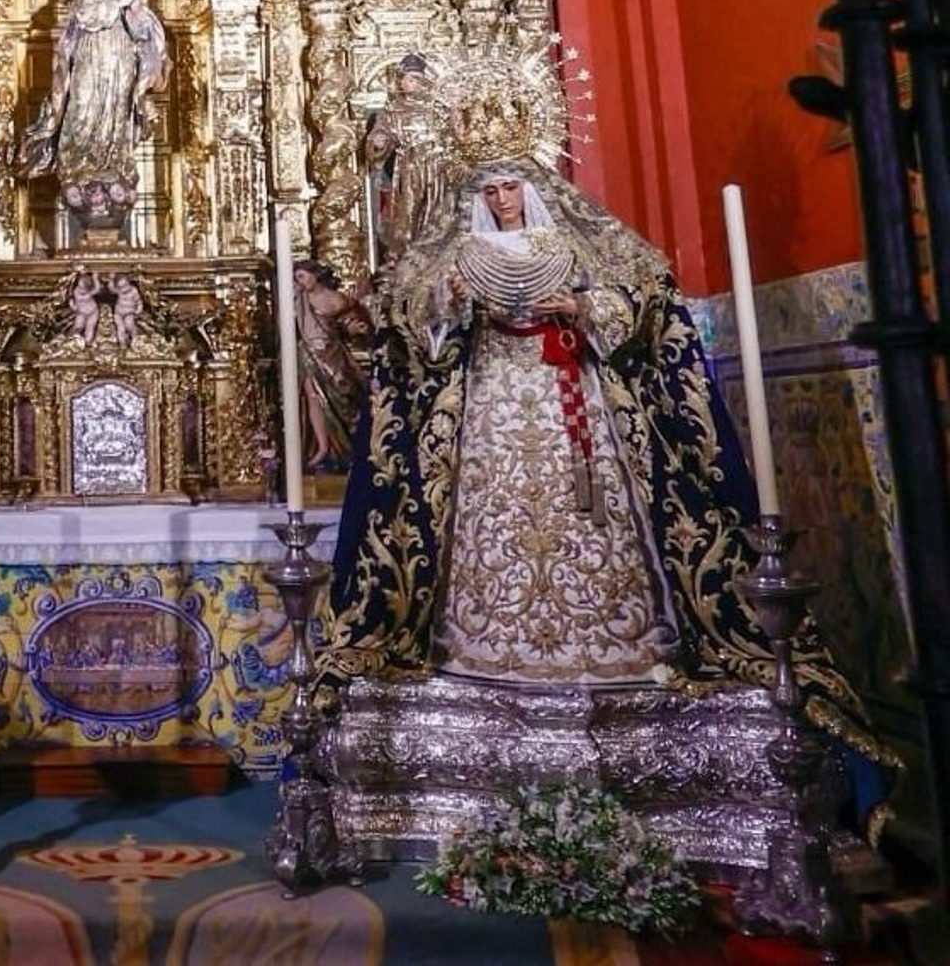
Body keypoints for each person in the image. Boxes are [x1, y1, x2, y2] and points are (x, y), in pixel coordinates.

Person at [324, 161, 890, 768]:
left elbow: (636, 304)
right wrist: (448, 300)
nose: (503, 200)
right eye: (490, 191)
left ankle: (618, 645)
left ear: (533, 190)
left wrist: (581, 307)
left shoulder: (573, 240)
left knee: (594, 515)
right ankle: (484, 648)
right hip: (491, 406)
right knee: (494, 517)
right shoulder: (459, 252)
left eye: (512, 187)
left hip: (574, 395)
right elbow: (413, 328)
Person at [17, 0, 168, 236]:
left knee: (114, 112)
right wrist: (121, 3)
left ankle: (112, 165)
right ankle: (82, 166)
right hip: (88, 59)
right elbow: (88, 19)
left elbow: (145, 33)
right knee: (82, 108)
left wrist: (136, 9)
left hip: (117, 63)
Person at [365, 54, 448, 263]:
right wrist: (379, 141)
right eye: (403, 78)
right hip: (409, 168)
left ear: (422, 82)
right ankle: (407, 252)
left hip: (437, 167)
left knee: (439, 209)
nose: (406, 83)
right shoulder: (392, 110)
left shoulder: (436, 107)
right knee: (408, 211)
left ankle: (437, 247)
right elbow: (382, 133)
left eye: (411, 79)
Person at [291, 260, 372, 471]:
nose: (298, 281)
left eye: (302, 276)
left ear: (314, 275)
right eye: (296, 277)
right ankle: (323, 447)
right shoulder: (298, 299)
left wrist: (356, 327)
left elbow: (353, 319)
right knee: (313, 397)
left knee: (345, 394)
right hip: (309, 354)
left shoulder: (337, 299)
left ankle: (351, 446)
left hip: (333, 354)